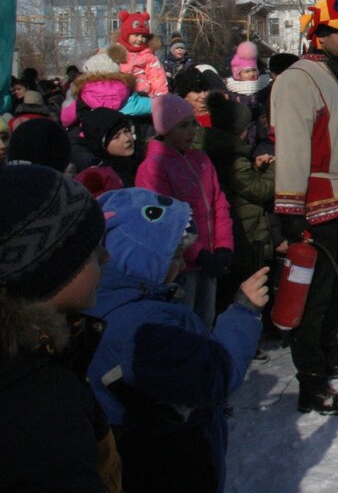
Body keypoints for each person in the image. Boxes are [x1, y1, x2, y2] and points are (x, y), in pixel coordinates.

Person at [85, 187, 267, 493]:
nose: (182, 266)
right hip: (172, 461)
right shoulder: (146, 324)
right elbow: (213, 375)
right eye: (176, 255)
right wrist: (243, 312)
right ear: (138, 254)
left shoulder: (101, 305)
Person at [271, 0, 338, 416]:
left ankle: (331, 353)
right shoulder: (299, 79)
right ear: (320, 34)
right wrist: (290, 209)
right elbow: (294, 147)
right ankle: (311, 382)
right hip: (315, 203)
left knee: (335, 289)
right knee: (313, 296)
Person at [0, 165, 120, 493]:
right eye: (90, 250)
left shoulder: (36, 354)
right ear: (44, 268)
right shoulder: (39, 409)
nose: (105, 257)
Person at [136, 94, 234, 329]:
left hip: (209, 260)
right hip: (180, 265)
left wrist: (223, 246)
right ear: (166, 129)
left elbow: (219, 203)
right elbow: (163, 220)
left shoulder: (200, 159)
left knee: (205, 321)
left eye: (193, 124)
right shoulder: (154, 166)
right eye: (183, 126)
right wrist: (197, 253)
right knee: (184, 325)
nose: (192, 132)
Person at [205, 94, 276, 315]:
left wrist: (255, 168)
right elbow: (257, 190)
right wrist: (275, 169)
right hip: (245, 231)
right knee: (244, 286)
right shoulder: (233, 156)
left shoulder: (217, 149)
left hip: (233, 229)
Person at [73, 108, 138, 192]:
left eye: (126, 131)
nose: (126, 139)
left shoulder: (144, 156)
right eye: (116, 137)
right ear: (101, 145)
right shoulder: (104, 181)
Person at [114, 10, 168, 97]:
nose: (140, 39)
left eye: (143, 36)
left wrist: (161, 97)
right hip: (119, 95)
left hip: (143, 96)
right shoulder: (116, 53)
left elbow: (157, 78)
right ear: (126, 34)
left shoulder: (148, 56)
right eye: (136, 35)